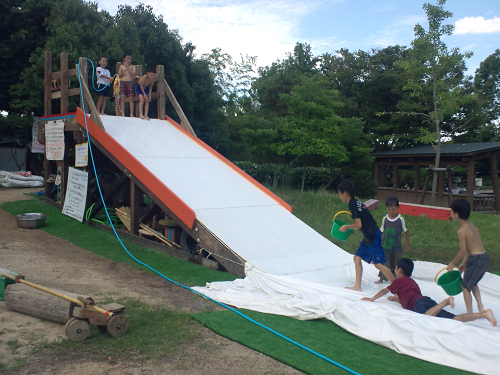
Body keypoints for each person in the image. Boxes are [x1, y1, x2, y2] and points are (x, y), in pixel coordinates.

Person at [361, 258, 496, 326]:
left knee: (426, 316)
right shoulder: (412, 283)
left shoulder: (398, 281)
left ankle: (445, 302)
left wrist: (371, 299)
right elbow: (408, 296)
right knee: (456, 318)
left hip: (420, 305)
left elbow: (384, 290)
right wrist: (395, 299)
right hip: (426, 300)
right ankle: (484, 314)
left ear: (399, 270)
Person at [337, 180, 395, 291]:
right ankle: (357, 286)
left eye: (340, 193)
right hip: (368, 237)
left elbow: (359, 224)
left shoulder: (353, 205)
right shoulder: (356, 202)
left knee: (379, 265)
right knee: (357, 258)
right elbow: (362, 222)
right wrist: (354, 228)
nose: (340, 196)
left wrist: (347, 227)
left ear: (345, 193)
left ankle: (398, 289)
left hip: (373, 237)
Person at [447, 199, 490, 314]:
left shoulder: (462, 231)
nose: (450, 213)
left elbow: (462, 251)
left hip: (476, 259)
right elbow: (468, 250)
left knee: (465, 286)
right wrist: (464, 263)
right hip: (484, 258)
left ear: (457, 214)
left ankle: (469, 314)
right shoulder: (472, 226)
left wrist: (452, 263)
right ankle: (480, 306)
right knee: (473, 282)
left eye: (451, 211)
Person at [375, 197, 409, 284]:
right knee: (385, 262)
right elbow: (381, 231)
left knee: (397, 263)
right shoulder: (385, 218)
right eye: (389, 209)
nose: (391, 211)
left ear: (398, 207)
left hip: (397, 246)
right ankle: (381, 278)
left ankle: (396, 279)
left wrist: (407, 244)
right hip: (385, 246)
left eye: (393, 209)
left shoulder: (401, 219)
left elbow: (406, 231)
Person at [118, 52, 137, 117]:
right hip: (123, 82)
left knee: (130, 98)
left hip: (129, 82)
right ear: (124, 59)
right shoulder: (121, 66)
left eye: (130, 59)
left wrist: (128, 67)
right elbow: (119, 75)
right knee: (122, 98)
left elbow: (133, 74)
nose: (129, 60)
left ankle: (131, 113)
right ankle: (122, 113)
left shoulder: (133, 66)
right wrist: (122, 72)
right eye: (127, 59)